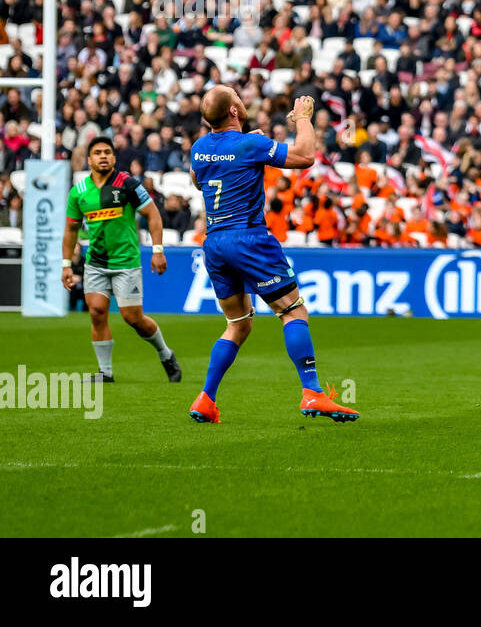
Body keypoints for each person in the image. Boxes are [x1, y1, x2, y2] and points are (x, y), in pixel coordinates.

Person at [188, 87, 359, 424]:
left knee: (238, 323)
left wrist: (243, 150)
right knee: (293, 311)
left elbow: (198, 180)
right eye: (238, 97)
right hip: (249, 238)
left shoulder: (200, 148)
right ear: (235, 111)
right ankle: (312, 393)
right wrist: (303, 120)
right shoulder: (249, 145)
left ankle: (205, 399)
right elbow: (305, 156)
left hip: (215, 242)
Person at [61, 137, 180, 384]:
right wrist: (66, 265)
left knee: (133, 318)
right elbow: (71, 230)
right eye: (97, 153)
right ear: (89, 159)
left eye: (107, 152)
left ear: (114, 157)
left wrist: (158, 250)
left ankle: (166, 354)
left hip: (126, 262)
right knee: (96, 312)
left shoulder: (127, 184)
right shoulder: (79, 192)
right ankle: (105, 372)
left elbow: (153, 214)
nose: (103, 156)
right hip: (95, 263)